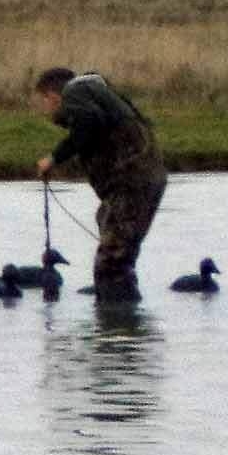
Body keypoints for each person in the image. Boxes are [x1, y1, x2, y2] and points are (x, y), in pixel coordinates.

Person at [33, 65, 165, 302]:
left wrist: (54, 158)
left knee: (110, 266)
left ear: (52, 96)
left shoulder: (74, 94)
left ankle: (116, 331)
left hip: (130, 184)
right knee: (108, 229)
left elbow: (88, 121)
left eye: (43, 102)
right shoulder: (96, 93)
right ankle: (123, 326)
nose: (46, 109)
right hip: (140, 181)